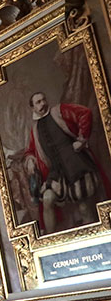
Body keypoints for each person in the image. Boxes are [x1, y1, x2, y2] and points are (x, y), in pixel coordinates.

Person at [25, 92, 111, 233]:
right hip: (56, 173)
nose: (43, 104)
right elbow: (30, 150)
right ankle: (51, 239)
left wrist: (81, 140)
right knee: (47, 198)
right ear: (33, 108)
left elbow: (85, 113)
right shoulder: (35, 129)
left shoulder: (59, 111)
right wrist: (30, 161)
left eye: (43, 100)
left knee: (83, 206)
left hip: (75, 166)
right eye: (38, 102)